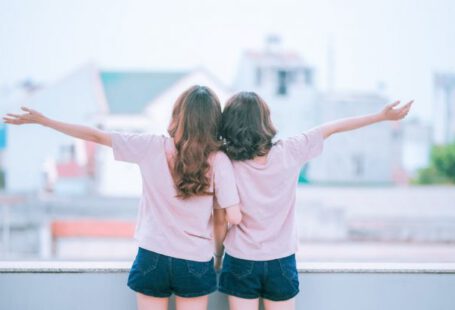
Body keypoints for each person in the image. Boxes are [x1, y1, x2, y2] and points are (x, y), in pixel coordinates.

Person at [4, 85, 242, 310]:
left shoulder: (150, 146)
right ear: (213, 122)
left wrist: (46, 122)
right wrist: (218, 257)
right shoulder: (219, 161)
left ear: (178, 115)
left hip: (153, 256)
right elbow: (223, 218)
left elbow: (96, 136)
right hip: (195, 261)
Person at [217, 91, 412, 310]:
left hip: (240, 258)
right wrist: (380, 117)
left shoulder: (225, 160)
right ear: (265, 120)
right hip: (281, 259)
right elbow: (333, 127)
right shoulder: (290, 150)